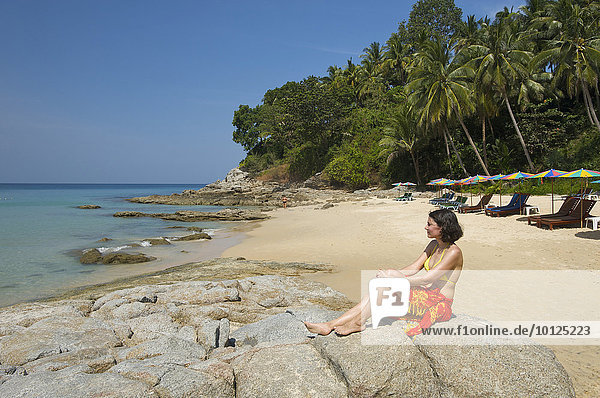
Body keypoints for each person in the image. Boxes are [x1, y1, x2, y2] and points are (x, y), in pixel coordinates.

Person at [304, 208, 463, 337]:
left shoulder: (453, 252)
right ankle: (330, 325)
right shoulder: (433, 245)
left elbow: (426, 279)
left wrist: (394, 279)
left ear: (441, 228)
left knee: (385, 290)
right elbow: (414, 268)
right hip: (427, 295)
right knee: (375, 291)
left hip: (439, 302)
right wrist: (390, 273)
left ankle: (358, 322)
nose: (425, 227)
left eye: (429, 224)